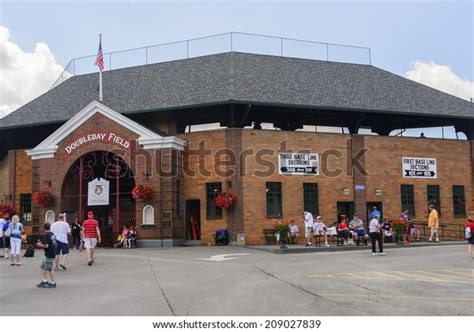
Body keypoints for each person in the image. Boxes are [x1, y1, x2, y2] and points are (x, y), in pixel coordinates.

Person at [36, 222, 57, 288]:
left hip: (49, 253)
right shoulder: (52, 234)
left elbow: (46, 245)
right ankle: (45, 280)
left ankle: (53, 282)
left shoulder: (46, 235)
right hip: (51, 252)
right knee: (43, 267)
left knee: (49, 269)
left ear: (44, 228)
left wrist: (39, 244)